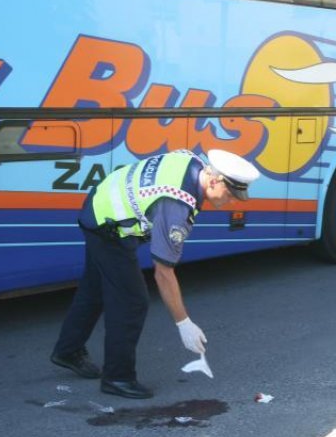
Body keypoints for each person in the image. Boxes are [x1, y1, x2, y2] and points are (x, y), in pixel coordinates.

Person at [50, 149, 260, 399]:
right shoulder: (177, 205)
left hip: (102, 205)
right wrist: (184, 323)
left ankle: (68, 350)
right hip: (108, 227)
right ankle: (117, 377)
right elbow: (163, 272)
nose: (232, 201)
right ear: (213, 180)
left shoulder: (192, 161)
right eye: (230, 193)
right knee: (132, 301)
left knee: (95, 288)